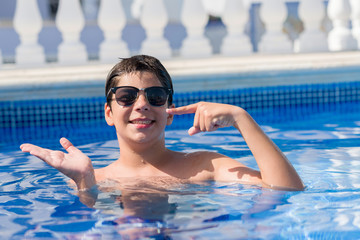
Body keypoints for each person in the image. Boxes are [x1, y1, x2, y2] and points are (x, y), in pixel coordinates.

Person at [20, 55, 304, 197]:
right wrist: (85, 184)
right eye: (127, 97)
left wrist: (242, 118)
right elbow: (89, 227)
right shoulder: (93, 178)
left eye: (154, 97)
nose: (141, 104)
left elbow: (285, 190)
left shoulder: (205, 166)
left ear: (169, 114)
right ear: (109, 112)